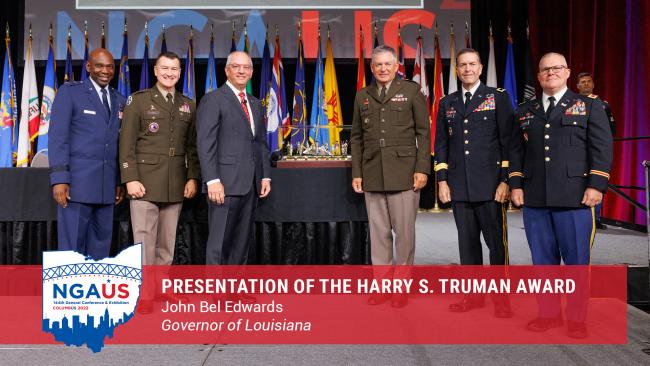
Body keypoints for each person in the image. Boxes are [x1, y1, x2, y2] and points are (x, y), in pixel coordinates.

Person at [509, 52, 613, 338]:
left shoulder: (589, 106)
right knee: (543, 263)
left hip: (576, 199)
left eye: (556, 68)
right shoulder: (524, 110)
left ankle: (577, 319)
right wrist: (516, 185)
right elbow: (516, 151)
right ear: (539, 75)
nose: (550, 73)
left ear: (568, 72)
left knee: (577, 262)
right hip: (536, 199)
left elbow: (602, 149)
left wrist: (596, 185)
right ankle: (549, 314)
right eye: (545, 69)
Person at [434, 48, 513, 317]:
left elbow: (508, 142)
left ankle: (502, 301)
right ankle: (473, 297)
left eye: (472, 64)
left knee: (497, 246)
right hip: (460, 186)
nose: (467, 69)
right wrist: (442, 180)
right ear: (456, 70)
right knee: (467, 247)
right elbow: (441, 144)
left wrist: (505, 181)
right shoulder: (448, 102)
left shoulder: (497, 98)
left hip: (491, 187)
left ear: (480, 68)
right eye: (462, 65)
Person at [350, 45, 430, 308]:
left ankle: (400, 289)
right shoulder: (363, 95)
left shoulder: (411, 91)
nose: (383, 69)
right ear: (372, 69)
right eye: (378, 65)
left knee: (404, 235)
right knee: (379, 235)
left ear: (397, 67)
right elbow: (357, 138)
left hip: (404, 174)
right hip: (373, 173)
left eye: (388, 64)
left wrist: (422, 169)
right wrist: (357, 173)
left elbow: (423, 133)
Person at [119, 51, 199, 268]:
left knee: (166, 244)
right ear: (155, 71)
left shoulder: (188, 105)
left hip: (175, 183)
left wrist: (192, 177)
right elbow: (126, 145)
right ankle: (145, 295)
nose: (169, 73)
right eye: (164, 68)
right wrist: (130, 179)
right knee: (144, 243)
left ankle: (160, 290)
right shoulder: (138, 101)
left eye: (174, 69)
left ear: (180, 73)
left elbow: (192, 147)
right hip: (144, 182)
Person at [49, 48, 126, 260]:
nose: (105, 71)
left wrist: (119, 180)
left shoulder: (119, 98)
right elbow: (58, 138)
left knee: (101, 249)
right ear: (88, 67)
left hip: (107, 187)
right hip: (76, 186)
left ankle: (95, 291)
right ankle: (69, 291)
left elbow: (118, 144)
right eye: (99, 65)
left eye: (110, 66)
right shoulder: (70, 92)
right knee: (71, 249)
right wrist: (59, 179)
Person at [196, 51, 271, 268]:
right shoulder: (213, 100)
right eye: (236, 66)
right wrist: (212, 180)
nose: (241, 71)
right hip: (224, 185)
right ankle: (216, 295)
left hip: (251, 185)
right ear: (227, 70)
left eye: (246, 67)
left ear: (251, 72)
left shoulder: (256, 104)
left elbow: (260, 143)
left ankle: (234, 291)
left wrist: (265, 175)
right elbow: (205, 143)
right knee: (219, 244)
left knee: (241, 243)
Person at [576, 71, 615, 229]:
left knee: (597, 180)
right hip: (578, 150)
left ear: (593, 84)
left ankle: (596, 218)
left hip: (596, 149)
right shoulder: (573, 102)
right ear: (577, 86)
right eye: (583, 82)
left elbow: (610, 129)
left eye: (588, 81)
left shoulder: (602, 104)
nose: (586, 84)